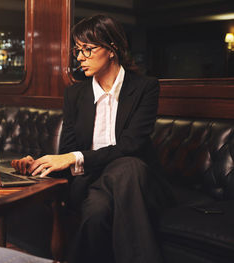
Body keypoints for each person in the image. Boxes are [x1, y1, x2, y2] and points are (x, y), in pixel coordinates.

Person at [11, 14, 174, 263]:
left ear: (112, 49)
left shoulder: (145, 88)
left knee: (118, 181)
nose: (79, 58)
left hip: (136, 181)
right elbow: (68, 148)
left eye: (87, 50)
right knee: (99, 204)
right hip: (89, 180)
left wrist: (73, 157)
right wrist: (38, 164)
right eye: (78, 51)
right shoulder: (75, 94)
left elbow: (132, 145)